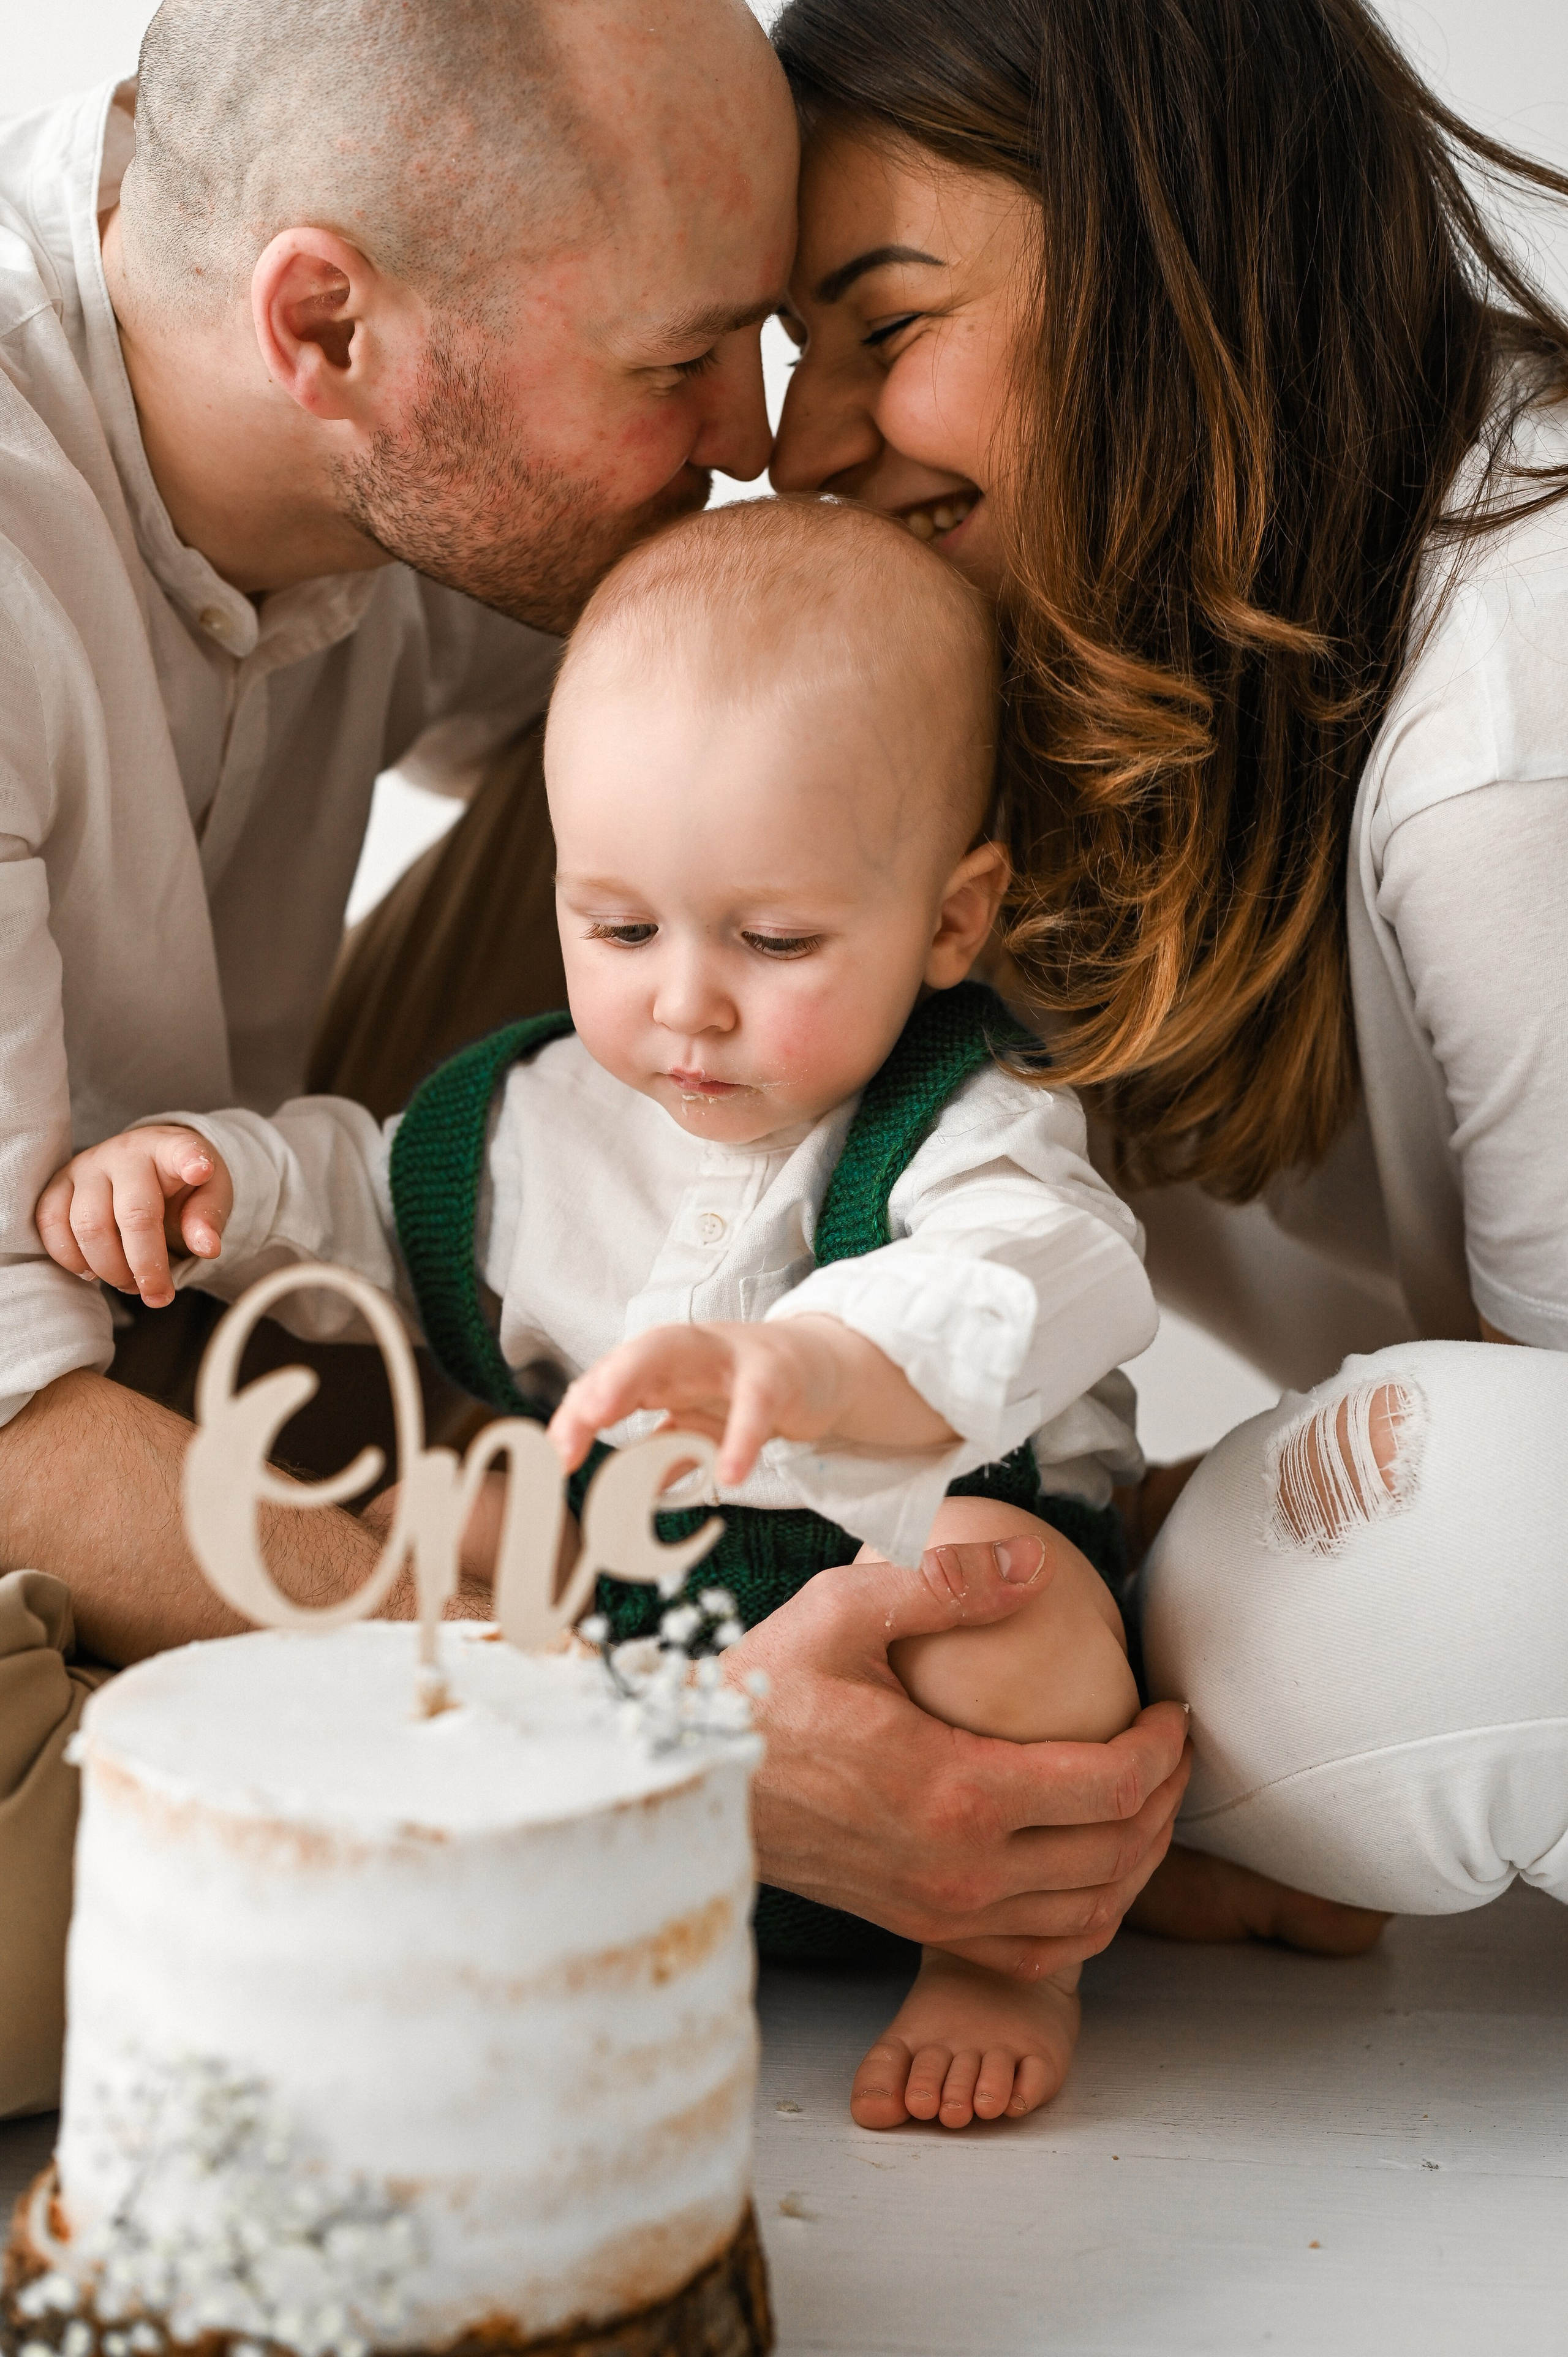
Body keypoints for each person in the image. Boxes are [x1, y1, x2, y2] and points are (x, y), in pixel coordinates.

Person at [42, 496, 1157, 2132]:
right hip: (648, 1640)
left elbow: (1049, 1272)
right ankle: (572, 1893)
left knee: (1013, 1593)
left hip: (916, 1662)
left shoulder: (968, 1124)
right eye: (620, 927)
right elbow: (374, 1190)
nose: (684, 1001)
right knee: (451, 1527)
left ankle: (1001, 1958)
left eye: (774, 940)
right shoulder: (543, 1114)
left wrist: (819, 1365)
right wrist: (221, 1180)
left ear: (949, 919)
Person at [0, 0, 799, 2116]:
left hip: (195, 1254)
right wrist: (654, 1707)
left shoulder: (368, 431)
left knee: (799, 707)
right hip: (24, 1410)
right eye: (680, 361)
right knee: (48, 1928)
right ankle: (696, 1701)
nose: (751, 429)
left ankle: (869, 1538)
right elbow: (9, 1430)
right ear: (326, 328)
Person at [766, 0, 1568, 1938]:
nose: (798, 445)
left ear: (1167, 261)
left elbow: (1542, 1488)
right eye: (792, 356)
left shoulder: (1515, 711)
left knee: (1492, 1539)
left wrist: (1062, 1586)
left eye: (884, 331)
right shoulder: (1095, 639)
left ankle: (974, 1755)